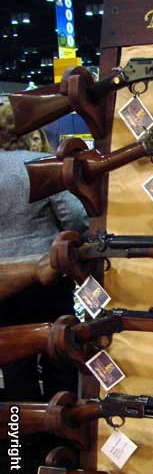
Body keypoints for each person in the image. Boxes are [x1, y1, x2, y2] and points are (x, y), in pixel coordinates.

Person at [0, 102, 89, 399]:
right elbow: (75, 218)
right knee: (59, 352)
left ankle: (19, 425)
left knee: (14, 361)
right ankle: (62, 421)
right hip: (47, 274)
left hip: (3, 283)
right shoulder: (42, 163)